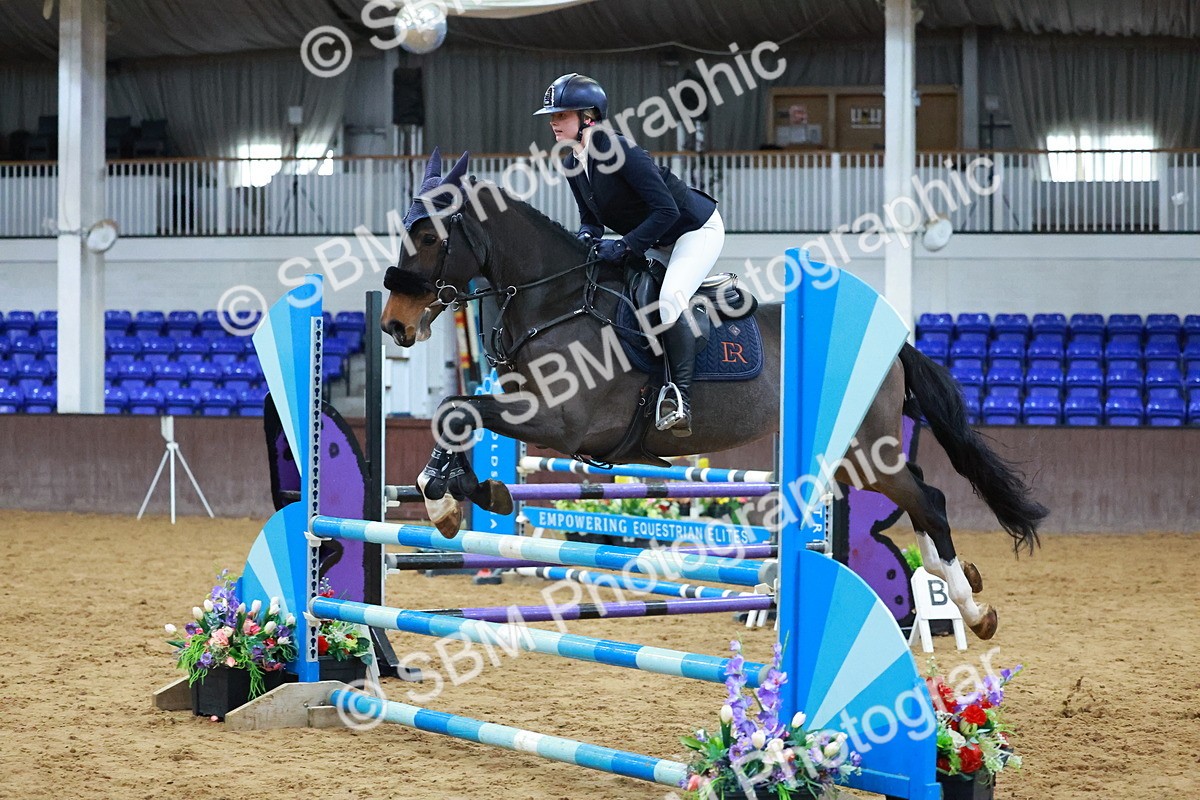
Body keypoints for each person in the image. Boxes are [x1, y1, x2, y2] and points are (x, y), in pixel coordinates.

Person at [534, 73, 725, 437]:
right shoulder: (573, 162)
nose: (553, 122)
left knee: (669, 301)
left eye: (561, 115)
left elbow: (667, 210)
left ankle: (678, 398)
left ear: (588, 116)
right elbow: (590, 219)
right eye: (552, 116)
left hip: (693, 231)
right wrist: (586, 241)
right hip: (652, 238)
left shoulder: (619, 151)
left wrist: (623, 245)